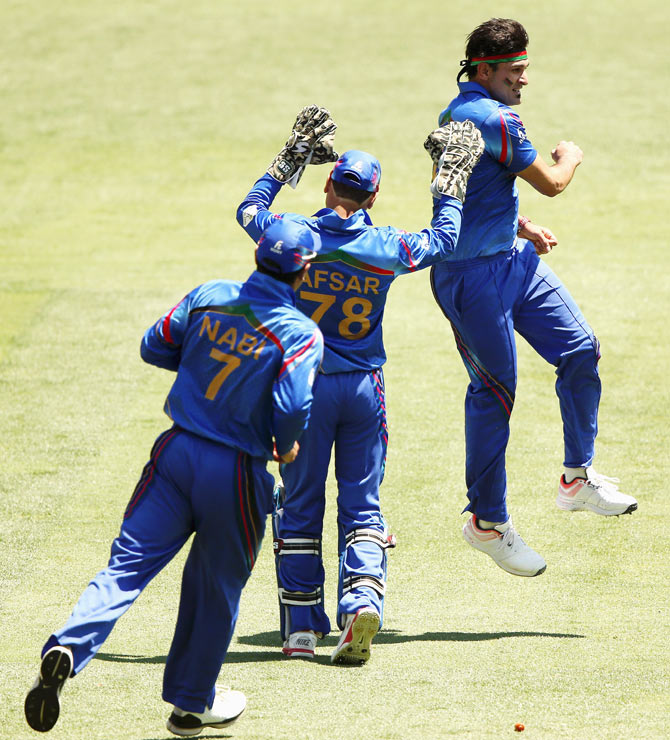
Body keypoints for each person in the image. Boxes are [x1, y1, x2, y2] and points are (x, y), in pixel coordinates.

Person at [24, 220, 324, 736]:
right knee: (215, 589)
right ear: (306, 270)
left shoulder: (209, 294)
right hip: (234, 473)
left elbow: (154, 344)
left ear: (258, 252)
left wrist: (200, 374)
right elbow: (292, 404)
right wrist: (284, 442)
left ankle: (66, 647)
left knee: (125, 566)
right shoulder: (300, 333)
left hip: (174, 454)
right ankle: (191, 705)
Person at [237, 105, 484, 663]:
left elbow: (248, 209)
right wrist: (449, 182)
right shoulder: (385, 248)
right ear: (373, 198)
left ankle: (301, 630)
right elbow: (443, 239)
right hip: (361, 391)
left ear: (328, 183)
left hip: (300, 393)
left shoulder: (292, 235)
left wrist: (287, 160)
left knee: (298, 505)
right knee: (363, 503)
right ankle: (363, 597)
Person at [430, 17, 637, 578]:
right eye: (515, 70)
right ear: (484, 68)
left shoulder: (457, 114)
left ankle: (576, 478)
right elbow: (552, 180)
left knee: (579, 349)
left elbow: (471, 192)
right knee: (495, 391)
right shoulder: (495, 119)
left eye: (524, 69)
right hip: (470, 279)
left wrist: (519, 226)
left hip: (510, 260)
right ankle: (487, 524)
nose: (524, 80)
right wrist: (570, 154)